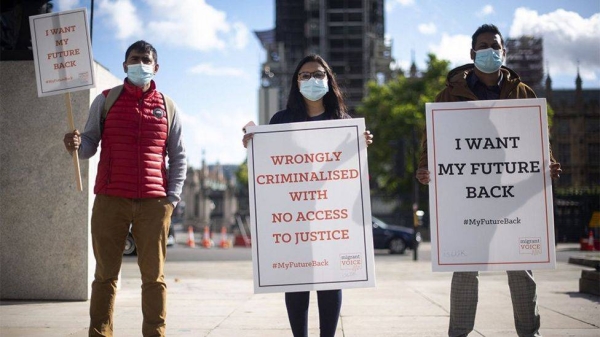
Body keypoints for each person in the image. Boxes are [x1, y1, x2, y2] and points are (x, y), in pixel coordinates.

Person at [415, 24, 561, 337]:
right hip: (468, 198)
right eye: (483, 46)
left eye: (495, 46)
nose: (490, 51)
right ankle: (459, 332)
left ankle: (529, 332)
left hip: (513, 197)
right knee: (466, 268)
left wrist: (548, 163)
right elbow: (432, 141)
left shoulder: (523, 94)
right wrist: (424, 168)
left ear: (503, 52)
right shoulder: (448, 97)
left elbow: (537, 139)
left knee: (521, 266)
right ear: (472, 54)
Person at [243, 54, 373, 337]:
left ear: (329, 80)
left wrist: (360, 147)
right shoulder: (281, 121)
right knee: (296, 278)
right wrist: (253, 144)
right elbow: (269, 164)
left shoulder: (343, 122)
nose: (312, 80)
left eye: (318, 74)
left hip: (330, 215)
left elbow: (350, 174)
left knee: (330, 279)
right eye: (304, 75)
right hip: (294, 216)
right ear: (295, 82)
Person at [63, 40, 187, 337]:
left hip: (155, 203)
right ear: (124, 65)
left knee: (154, 278)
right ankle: (100, 333)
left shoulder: (168, 107)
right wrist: (76, 146)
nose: (140, 64)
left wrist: (172, 198)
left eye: (146, 60)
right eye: (135, 59)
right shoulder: (105, 100)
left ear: (156, 67)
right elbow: (89, 144)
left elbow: (179, 154)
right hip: (110, 199)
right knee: (105, 275)